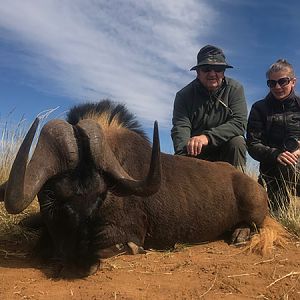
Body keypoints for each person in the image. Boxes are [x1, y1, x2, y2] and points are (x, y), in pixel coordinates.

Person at [171, 45, 247, 171]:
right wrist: (182, 154)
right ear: (198, 72)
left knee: (237, 142)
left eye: (218, 69)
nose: (212, 74)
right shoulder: (183, 95)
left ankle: (240, 188)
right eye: (206, 69)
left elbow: (239, 123)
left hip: (224, 149)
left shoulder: (235, 89)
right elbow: (181, 127)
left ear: (223, 71)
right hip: (195, 151)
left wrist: (207, 138)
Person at [247, 59, 300, 211]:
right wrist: (276, 154)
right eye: (272, 83)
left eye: (282, 81)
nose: (277, 87)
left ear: (293, 81)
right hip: (272, 170)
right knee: (275, 215)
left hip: (298, 162)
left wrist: (297, 153)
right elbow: (252, 144)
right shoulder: (259, 108)